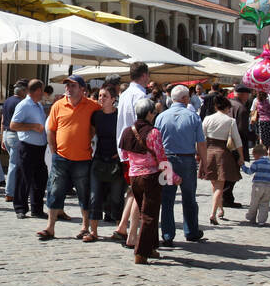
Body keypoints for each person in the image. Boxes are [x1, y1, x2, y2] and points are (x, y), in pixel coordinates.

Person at [37, 74, 100, 241]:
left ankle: (85, 227)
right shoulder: (58, 105)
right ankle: (50, 228)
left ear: (82, 89)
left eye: (73, 86)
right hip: (61, 158)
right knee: (54, 191)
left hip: (83, 158)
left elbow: (97, 125)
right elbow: (51, 129)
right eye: (67, 86)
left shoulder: (93, 106)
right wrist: (53, 149)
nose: (68, 89)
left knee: (83, 193)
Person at [154, 85, 207, 246]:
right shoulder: (193, 116)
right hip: (187, 160)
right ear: (184, 99)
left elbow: (156, 141)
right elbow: (201, 143)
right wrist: (204, 162)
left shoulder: (161, 117)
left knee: (167, 199)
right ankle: (191, 231)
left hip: (166, 160)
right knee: (189, 197)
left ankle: (168, 234)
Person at [119, 97, 168, 264]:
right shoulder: (153, 133)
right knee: (150, 215)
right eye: (153, 112)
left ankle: (151, 247)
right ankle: (141, 252)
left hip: (134, 176)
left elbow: (124, 155)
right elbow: (161, 158)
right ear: (149, 113)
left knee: (145, 212)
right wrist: (172, 176)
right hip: (151, 176)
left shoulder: (127, 131)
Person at [86, 85, 125, 242]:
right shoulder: (96, 115)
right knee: (95, 196)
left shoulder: (119, 116)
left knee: (116, 197)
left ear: (113, 99)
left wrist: (121, 152)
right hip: (99, 159)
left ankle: (119, 229)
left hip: (115, 161)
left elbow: (126, 134)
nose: (101, 99)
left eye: (105, 96)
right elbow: (91, 133)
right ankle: (93, 231)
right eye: (100, 96)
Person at [10, 79, 49, 220]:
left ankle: (37, 208)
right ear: (38, 90)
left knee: (40, 179)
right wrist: (32, 126)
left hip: (39, 147)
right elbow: (13, 125)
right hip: (27, 146)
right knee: (23, 178)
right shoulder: (24, 105)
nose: (43, 93)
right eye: (42, 90)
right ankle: (20, 208)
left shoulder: (37, 105)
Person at [201, 94, 242, 225]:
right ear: (226, 108)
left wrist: (199, 154)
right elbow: (238, 141)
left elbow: (202, 137)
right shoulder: (230, 121)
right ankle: (213, 214)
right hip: (222, 153)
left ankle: (220, 209)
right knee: (219, 186)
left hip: (209, 152)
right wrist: (241, 156)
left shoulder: (207, 118)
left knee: (215, 185)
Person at [1, 80, 28, 202]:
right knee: (14, 164)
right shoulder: (22, 103)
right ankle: (10, 192)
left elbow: (2, 120)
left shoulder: (7, 101)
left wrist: (2, 137)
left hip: (7, 134)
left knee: (15, 164)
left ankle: (14, 190)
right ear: (23, 90)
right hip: (15, 135)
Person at [241, 144, 270, 225]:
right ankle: (262, 221)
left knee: (254, 202)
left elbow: (249, 171)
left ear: (256, 154)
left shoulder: (257, 163)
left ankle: (250, 217)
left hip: (258, 185)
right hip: (269, 186)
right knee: (265, 203)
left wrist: (243, 166)